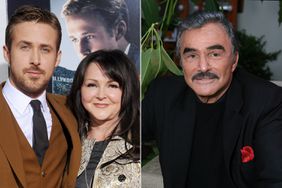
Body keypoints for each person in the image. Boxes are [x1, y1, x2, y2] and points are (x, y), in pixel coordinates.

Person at [142, 11, 282, 188]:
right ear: (181, 62)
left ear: (234, 61)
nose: (203, 67)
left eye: (214, 54)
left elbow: (276, 180)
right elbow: (122, 132)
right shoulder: (163, 94)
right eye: (192, 56)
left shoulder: (267, 102)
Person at [0, 5, 81, 187]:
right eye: (25, 47)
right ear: (7, 53)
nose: (35, 60)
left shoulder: (71, 111)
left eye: (45, 49)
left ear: (57, 57)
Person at [67, 49, 140, 187]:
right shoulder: (65, 141)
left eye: (112, 86)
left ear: (127, 90)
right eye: (92, 85)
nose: (101, 95)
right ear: (80, 89)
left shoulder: (140, 145)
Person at [51, 0, 140, 95]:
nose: (81, 50)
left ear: (119, 30)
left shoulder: (141, 68)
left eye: (89, 37)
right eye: (74, 40)